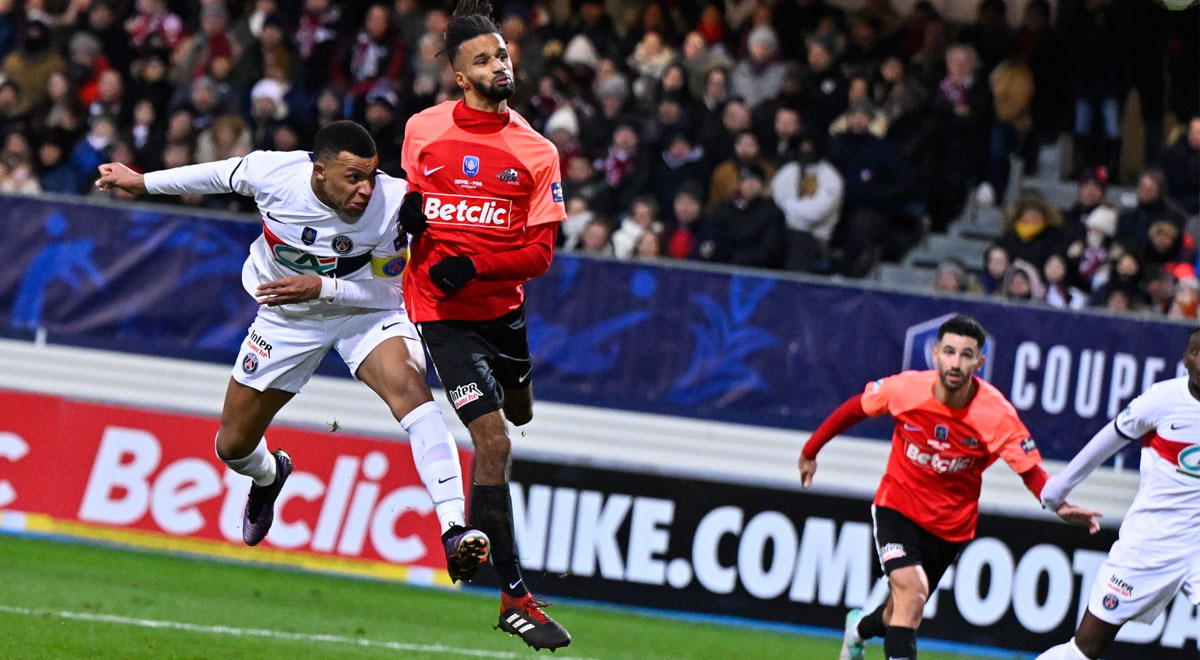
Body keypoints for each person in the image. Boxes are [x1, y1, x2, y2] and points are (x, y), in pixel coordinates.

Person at [92, 120, 488, 584]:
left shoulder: (391, 204)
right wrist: (141, 182)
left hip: (361, 311)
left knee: (410, 389)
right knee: (232, 446)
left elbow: (387, 294)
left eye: (372, 175)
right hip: (286, 318)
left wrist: (322, 286)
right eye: (353, 177)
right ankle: (268, 476)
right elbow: (215, 175)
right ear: (318, 172)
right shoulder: (273, 174)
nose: (365, 189)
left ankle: (453, 527)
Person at [398, 1, 570, 651]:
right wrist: (410, 227)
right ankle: (512, 594)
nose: (500, 65)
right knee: (495, 442)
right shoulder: (422, 131)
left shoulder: (535, 151)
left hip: (503, 311)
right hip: (442, 316)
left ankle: (482, 552)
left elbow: (541, 256)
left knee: (519, 411)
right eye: (484, 59)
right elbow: (406, 210)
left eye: (502, 54)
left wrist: (472, 264)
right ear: (459, 76)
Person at [798, 315, 1099, 660]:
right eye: (950, 352)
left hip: (949, 527)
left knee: (902, 610)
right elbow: (855, 409)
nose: (956, 363)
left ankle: (859, 629)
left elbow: (1030, 472)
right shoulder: (905, 389)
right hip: (898, 506)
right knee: (912, 596)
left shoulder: (996, 414)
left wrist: (1059, 504)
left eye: (966, 355)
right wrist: (811, 451)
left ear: (979, 362)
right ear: (935, 353)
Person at [1037, 328, 1200, 660]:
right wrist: (1057, 491)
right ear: (1185, 359)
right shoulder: (1162, 399)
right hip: (1151, 542)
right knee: (1085, 648)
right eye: (1197, 351)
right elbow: (1104, 442)